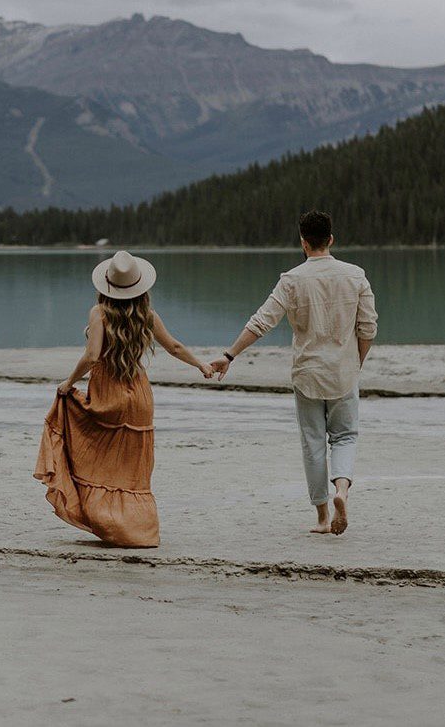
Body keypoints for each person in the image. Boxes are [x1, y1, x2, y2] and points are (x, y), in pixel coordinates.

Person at [211, 211, 377, 535]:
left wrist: (230, 355)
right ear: (331, 239)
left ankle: (322, 517)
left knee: (313, 443)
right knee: (344, 436)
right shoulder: (356, 275)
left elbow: (262, 321)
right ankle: (341, 490)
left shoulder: (292, 279)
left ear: (302, 241)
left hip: (307, 374)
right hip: (344, 372)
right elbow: (368, 327)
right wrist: (356, 362)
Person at [34, 250, 213, 548]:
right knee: (132, 471)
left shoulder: (99, 314)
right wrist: (202, 365)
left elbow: (92, 356)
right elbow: (175, 347)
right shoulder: (147, 315)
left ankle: (108, 522)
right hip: (140, 396)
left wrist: (68, 383)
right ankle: (140, 530)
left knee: (98, 458)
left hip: (109, 394)